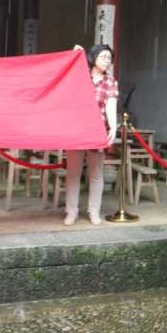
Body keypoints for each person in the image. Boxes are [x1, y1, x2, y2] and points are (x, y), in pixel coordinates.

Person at [64, 44, 118, 226]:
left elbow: (111, 105)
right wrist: (74, 54)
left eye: (109, 58)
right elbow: (67, 74)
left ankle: (94, 212)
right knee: (73, 173)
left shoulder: (110, 82)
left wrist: (113, 127)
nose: (107, 60)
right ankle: (71, 212)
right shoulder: (81, 76)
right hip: (76, 129)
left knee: (96, 174)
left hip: (97, 131)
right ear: (93, 58)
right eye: (103, 57)